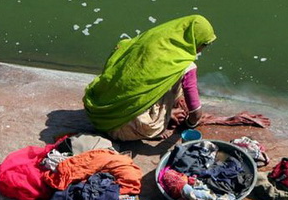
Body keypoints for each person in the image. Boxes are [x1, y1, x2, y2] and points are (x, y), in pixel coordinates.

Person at [83, 15, 216, 141]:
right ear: (195, 40)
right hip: (120, 128)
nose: (202, 50)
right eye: (204, 44)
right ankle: (154, 122)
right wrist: (189, 123)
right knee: (178, 86)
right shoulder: (186, 66)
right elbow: (196, 114)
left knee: (166, 78)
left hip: (99, 113)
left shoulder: (152, 38)